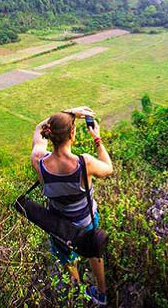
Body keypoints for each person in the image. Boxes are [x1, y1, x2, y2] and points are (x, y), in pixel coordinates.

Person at [31, 106, 113, 306]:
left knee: (68, 258)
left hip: (59, 226)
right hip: (85, 221)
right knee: (94, 251)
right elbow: (108, 169)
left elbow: (37, 127)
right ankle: (101, 295)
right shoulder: (84, 163)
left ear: (49, 134)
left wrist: (68, 113)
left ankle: (76, 295)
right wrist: (97, 139)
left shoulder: (39, 160)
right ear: (72, 134)